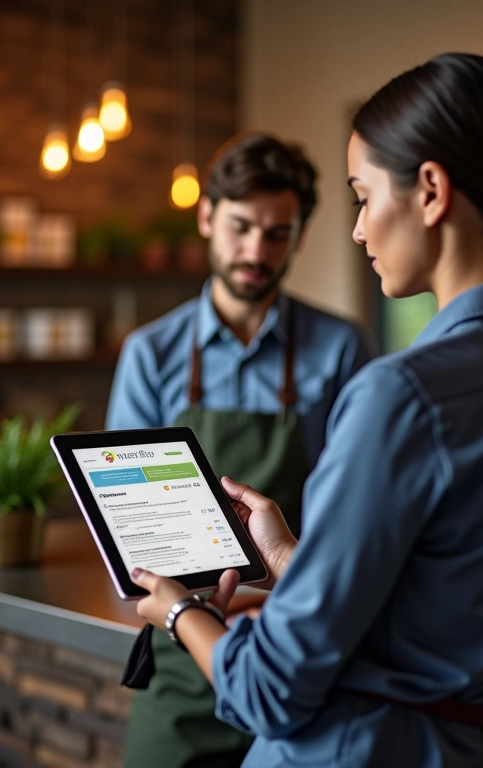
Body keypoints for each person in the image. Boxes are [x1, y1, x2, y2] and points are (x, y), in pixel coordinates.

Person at [130, 53, 483, 767]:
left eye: (363, 197)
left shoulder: (403, 395)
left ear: (430, 191)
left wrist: (182, 613)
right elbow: (441, 605)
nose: (359, 230)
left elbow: (270, 690)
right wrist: (287, 559)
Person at [106, 131, 374, 768]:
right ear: (206, 216)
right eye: (241, 227)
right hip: (180, 639)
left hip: (297, 642)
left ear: (300, 236)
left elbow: (352, 512)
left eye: (278, 233)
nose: (257, 250)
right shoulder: (151, 353)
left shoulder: (340, 347)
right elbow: (130, 522)